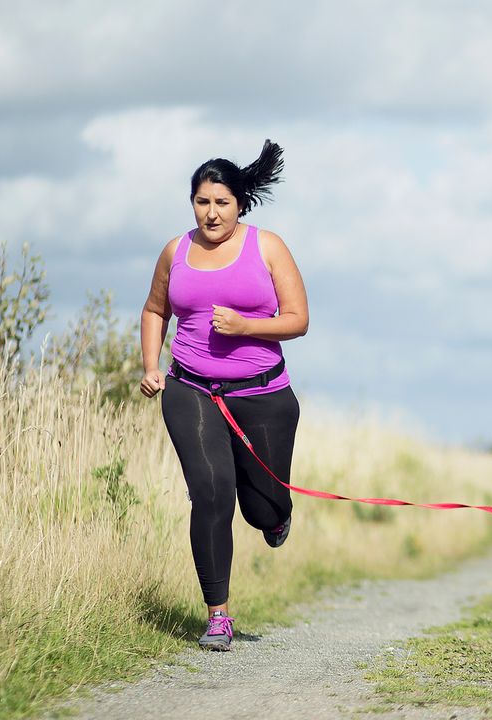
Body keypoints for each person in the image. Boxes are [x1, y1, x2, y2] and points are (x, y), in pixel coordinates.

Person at [139, 140, 308, 651]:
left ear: (240, 204)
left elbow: (298, 320)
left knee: (261, 508)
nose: (211, 213)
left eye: (221, 203)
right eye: (201, 202)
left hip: (262, 395)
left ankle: (277, 515)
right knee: (211, 492)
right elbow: (154, 311)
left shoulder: (268, 247)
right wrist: (152, 366)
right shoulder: (176, 251)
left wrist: (246, 326)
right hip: (190, 389)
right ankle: (217, 615)